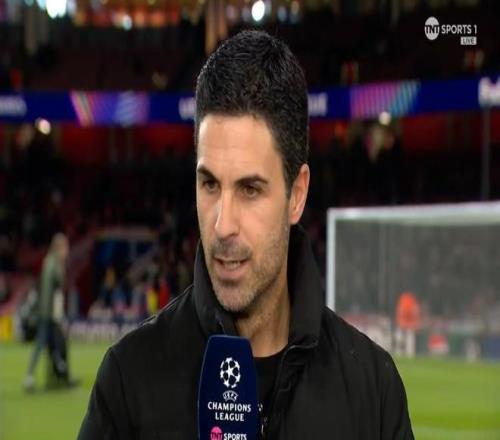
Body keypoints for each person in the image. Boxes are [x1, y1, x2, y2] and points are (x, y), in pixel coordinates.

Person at [79, 30, 414, 439]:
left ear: (297, 195)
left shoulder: (372, 390)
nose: (222, 225)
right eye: (209, 184)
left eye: (250, 189)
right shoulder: (128, 381)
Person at [24, 232, 77, 391]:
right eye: (66, 247)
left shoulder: (53, 263)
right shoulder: (52, 264)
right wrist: (49, 315)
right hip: (48, 313)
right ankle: (32, 376)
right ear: (59, 247)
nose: (67, 251)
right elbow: (49, 290)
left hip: (50, 312)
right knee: (44, 343)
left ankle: (60, 374)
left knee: (52, 344)